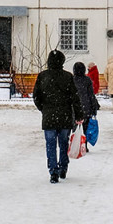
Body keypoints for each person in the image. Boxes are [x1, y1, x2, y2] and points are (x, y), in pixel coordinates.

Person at [32, 49, 81, 183]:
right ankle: (63, 167)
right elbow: (74, 97)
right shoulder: (68, 76)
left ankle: (53, 171)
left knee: (51, 144)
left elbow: (36, 96)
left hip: (49, 116)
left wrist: (43, 108)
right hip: (65, 115)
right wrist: (78, 114)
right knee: (64, 143)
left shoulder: (43, 76)